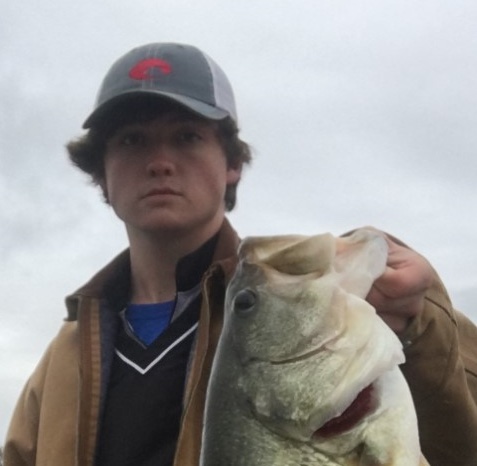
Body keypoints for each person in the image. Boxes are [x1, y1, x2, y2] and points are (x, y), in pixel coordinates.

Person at [3, 42, 477, 466]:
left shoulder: (334, 306)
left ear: (231, 163)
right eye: (131, 140)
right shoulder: (64, 356)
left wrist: (420, 323)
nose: (160, 161)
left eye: (187, 136)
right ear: (101, 173)